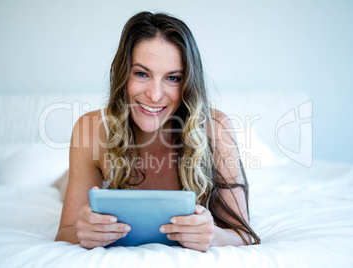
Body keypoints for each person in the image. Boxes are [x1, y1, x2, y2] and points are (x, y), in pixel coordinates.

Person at [55, 11, 260, 252]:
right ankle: (61, 179)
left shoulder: (216, 127)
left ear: (188, 84)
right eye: (142, 73)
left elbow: (244, 234)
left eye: (172, 78)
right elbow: (65, 233)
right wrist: (83, 231)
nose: (154, 95)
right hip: (90, 161)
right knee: (63, 186)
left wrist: (214, 236)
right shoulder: (90, 130)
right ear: (122, 73)